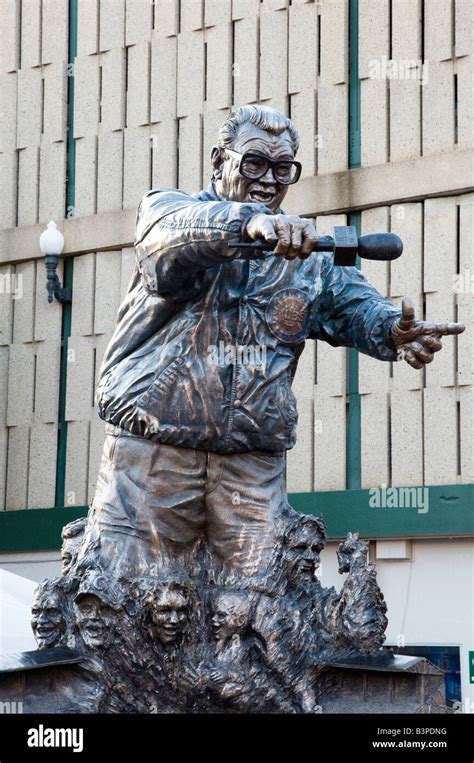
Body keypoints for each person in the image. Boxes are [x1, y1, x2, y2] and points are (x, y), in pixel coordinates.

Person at [77, 105, 464, 580]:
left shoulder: (306, 256)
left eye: (283, 169)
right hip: (154, 457)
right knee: (124, 595)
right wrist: (247, 223)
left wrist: (392, 330)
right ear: (220, 161)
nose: (268, 179)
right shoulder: (172, 212)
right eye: (254, 163)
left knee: (262, 606)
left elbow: (355, 306)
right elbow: (166, 237)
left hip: (251, 466)